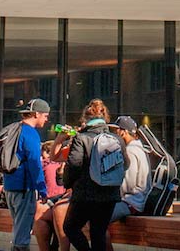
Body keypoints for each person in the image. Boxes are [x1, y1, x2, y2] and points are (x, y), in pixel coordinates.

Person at [61, 99, 125, 251]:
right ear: (105, 118)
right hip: (109, 194)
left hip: (85, 193)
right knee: (99, 233)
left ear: (86, 118)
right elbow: (125, 164)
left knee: (70, 227)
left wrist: (67, 183)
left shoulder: (81, 138)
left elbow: (74, 164)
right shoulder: (117, 139)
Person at [6, 98, 51, 251]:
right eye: (45, 115)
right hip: (24, 188)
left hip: (9, 185)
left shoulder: (14, 129)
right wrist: (42, 189)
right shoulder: (30, 134)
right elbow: (34, 163)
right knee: (23, 234)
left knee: (17, 228)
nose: (47, 119)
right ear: (36, 114)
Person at [108, 115, 151, 222]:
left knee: (98, 218)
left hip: (132, 202)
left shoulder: (130, 151)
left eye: (116, 131)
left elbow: (128, 184)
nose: (114, 135)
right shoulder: (140, 149)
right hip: (136, 200)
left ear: (124, 132)